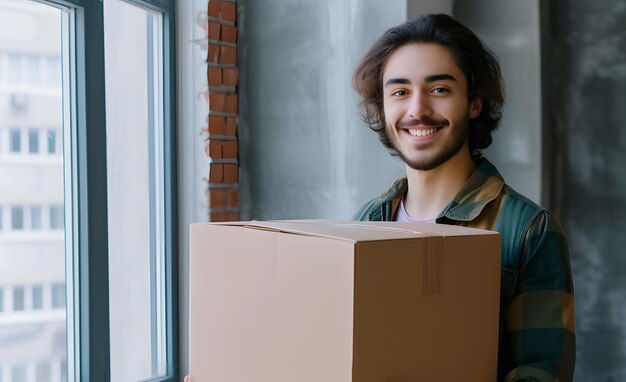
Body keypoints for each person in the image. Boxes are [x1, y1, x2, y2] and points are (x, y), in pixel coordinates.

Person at [351, 13, 575, 382]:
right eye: (400, 92)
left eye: (439, 89)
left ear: (474, 103)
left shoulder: (528, 229)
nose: (417, 109)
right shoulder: (367, 220)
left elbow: (542, 373)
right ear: (383, 106)